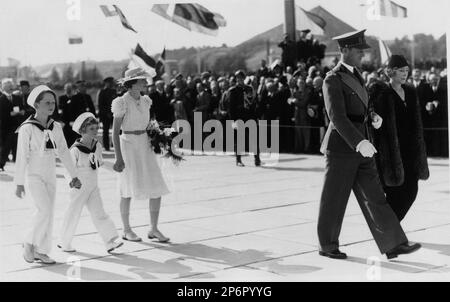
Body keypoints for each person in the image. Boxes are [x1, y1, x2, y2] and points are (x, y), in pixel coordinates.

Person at [317, 30, 421, 260]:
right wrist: (359, 141)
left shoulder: (357, 76)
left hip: (363, 144)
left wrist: (371, 116)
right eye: (358, 50)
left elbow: (360, 107)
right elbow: (337, 117)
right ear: (345, 50)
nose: (363, 55)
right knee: (334, 199)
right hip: (343, 147)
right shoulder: (332, 79)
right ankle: (327, 245)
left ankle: (394, 243)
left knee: (375, 198)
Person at [14, 85, 82, 264]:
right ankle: (29, 242)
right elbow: (21, 155)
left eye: (53, 102)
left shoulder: (56, 127)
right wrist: (19, 182)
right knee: (43, 209)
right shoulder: (27, 128)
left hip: (50, 174)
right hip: (34, 175)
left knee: (48, 212)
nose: (52, 105)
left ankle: (41, 250)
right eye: (47, 102)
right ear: (36, 105)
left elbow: (64, 152)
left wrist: (73, 175)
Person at [111, 67, 170, 243]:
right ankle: (126, 229)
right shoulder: (121, 102)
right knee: (126, 189)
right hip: (128, 145)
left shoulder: (146, 101)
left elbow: (149, 124)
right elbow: (115, 132)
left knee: (156, 185)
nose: (146, 82)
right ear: (132, 83)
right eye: (142, 80)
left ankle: (153, 228)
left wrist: (158, 135)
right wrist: (118, 157)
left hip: (145, 145)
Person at [371, 55, 429, 221]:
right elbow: (373, 122)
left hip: (411, 151)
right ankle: (391, 235)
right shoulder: (382, 93)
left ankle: (389, 230)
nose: (405, 74)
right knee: (395, 194)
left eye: (406, 71)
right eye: (401, 71)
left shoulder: (411, 92)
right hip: (391, 153)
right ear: (391, 72)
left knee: (411, 192)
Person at [59, 112, 123, 253]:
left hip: (93, 186)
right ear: (82, 131)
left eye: (96, 128)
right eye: (91, 129)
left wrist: (114, 168)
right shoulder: (75, 149)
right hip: (79, 186)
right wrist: (71, 181)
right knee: (73, 214)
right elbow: (68, 167)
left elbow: (99, 162)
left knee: (99, 213)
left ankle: (110, 240)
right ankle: (64, 242)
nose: (95, 131)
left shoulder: (97, 146)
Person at [228, 70, 261, 166]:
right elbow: (231, 108)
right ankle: (238, 160)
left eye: (241, 78)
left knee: (254, 138)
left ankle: (257, 159)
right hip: (239, 117)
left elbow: (253, 104)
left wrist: (256, 116)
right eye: (238, 78)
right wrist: (233, 120)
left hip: (250, 116)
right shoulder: (233, 91)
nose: (240, 80)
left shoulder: (249, 89)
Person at [0, 78, 26, 170]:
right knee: (5, 147)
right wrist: (10, 114)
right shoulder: (1, 99)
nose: (11, 88)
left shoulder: (17, 98)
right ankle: (1, 164)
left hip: (17, 126)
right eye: (8, 86)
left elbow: (22, 108)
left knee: (17, 146)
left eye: (11, 86)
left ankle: (18, 164)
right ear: (3, 88)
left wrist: (22, 111)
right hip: (5, 127)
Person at [97, 77, 117, 151]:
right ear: (106, 83)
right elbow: (100, 105)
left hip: (114, 114)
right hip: (105, 115)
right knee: (106, 131)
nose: (111, 83)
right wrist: (107, 113)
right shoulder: (102, 92)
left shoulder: (114, 91)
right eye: (109, 82)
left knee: (116, 131)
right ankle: (106, 146)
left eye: (111, 82)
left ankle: (114, 144)